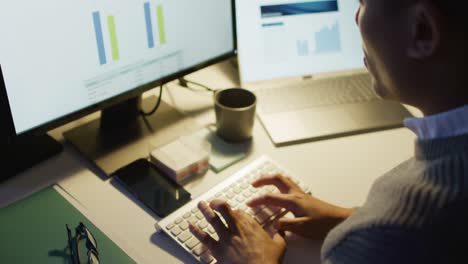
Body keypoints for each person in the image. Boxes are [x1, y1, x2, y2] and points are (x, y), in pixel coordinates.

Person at [189, 0, 468, 263]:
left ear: (423, 31)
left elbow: (410, 236)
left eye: (363, 3)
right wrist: (349, 218)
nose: (356, 17)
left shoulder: (392, 237)